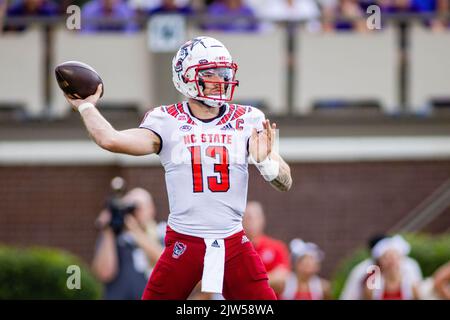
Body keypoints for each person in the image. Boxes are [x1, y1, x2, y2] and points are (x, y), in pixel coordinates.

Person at [63, 36, 293, 300]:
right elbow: (110, 139)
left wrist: (265, 161)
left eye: (224, 72)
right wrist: (86, 107)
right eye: (211, 73)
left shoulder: (248, 119)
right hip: (185, 240)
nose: (222, 79)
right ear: (186, 76)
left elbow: (285, 181)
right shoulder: (166, 120)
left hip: (233, 241)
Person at [91, 185, 164, 299]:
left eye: (138, 208)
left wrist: (135, 231)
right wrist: (108, 230)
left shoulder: (162, 233)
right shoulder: (115, 238)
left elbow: (164, 263)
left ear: (151, 209)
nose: (133, 213)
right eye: (129, 208)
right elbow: (103, 274)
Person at [340, 233, 422, 300]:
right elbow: (350, 295)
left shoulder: (410, 275)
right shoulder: (364, 274)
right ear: (379, 261)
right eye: (386, 258)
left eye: (395, 257)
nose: (392, 262)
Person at [243, 201, 291, 298]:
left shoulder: (277, 247)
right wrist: (268, 279)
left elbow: (281, 281)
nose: (251, 221)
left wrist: (248, 282)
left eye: (255, 217)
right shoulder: (235, 248)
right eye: (247, 217)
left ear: (262, 220)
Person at [364, 235, 420, 300]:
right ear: (380, 262)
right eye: (386, 258)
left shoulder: (412, 286)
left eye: (395, 257)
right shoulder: (371, 288)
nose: (391, 261)